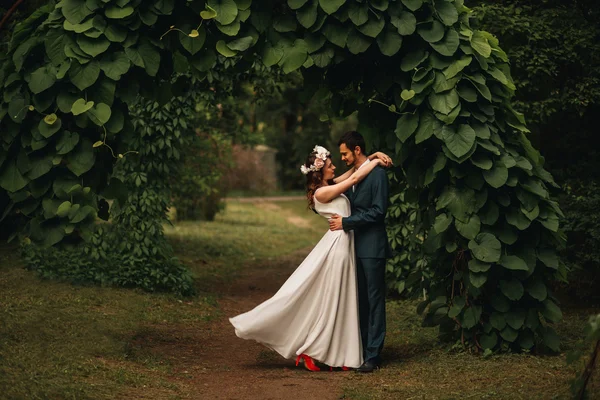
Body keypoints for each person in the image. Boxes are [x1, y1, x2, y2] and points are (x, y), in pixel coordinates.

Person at [229, 145, 391, 371]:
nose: (334, 166)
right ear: (320, 170)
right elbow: (355, 177)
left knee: (343, 300)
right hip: (339, 246)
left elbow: (353, 171)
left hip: (346, 244)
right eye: (330, 165)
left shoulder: (329, 186)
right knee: (335, 300)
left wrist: (370, 156)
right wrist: (375, 163)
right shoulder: (322, 193)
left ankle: (339, 352)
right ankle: (314, 349)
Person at [328, 131, 391, 373]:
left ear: (356, 150)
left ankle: (373, 355)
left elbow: (378, 211)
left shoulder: (378, 175)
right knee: (359, 300)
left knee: (374, 301)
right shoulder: (355, 173)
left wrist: (347, 222)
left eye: (344, 153)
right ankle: (361, 348)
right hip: (353, 247)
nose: (342, 157)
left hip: (373, 247)